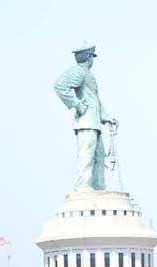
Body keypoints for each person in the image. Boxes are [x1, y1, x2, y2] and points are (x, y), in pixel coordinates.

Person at [54, 43, 117, 192]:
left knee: (99, 156)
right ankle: (82, 186)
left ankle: (98, 186)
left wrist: (106, 116)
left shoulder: (87, 74)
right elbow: (59, 85)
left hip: (94, 123)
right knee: (86, 154)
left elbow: (94, 98)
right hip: (85, 122)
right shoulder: (78, 72)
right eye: (91, 57)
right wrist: (76, 104)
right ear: (89, 58)